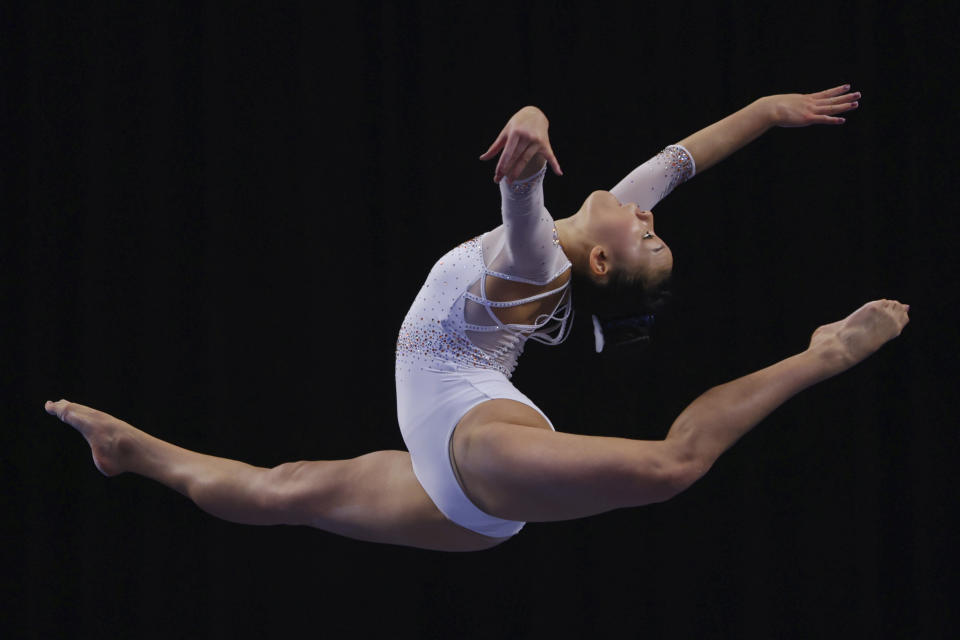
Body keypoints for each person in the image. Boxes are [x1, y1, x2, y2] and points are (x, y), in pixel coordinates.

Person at [45, 83, 909, 552]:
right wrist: (767, 112)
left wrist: (529, 130)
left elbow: (521, 198)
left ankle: (824, 354)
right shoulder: (598, 233)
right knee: (283, 490)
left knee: (675, 465)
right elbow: (683, 163)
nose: (650, 216)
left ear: (602, 262)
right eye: (655, 229)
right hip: (466, 489)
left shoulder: (540, 263)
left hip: (472, 442)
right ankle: (136, 454)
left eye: (649, 240)